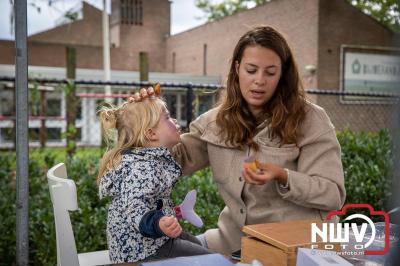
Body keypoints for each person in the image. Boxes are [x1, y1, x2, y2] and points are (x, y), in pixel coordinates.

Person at [134, 26, 346, 256]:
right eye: (251, 70)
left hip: (297, 248)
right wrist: (141, 119)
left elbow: (332, 195)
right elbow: (166, 162)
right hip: (232, 241)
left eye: (270, 72)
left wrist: (282, 175)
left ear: (283, 74)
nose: (259, 81)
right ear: (237, 68)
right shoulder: (214, 123)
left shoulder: (311, 120)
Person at [97, 94, 211, 263]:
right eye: (167, 118)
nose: (174, 120)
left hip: (150, 244)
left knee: (197, 246)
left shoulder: (148, 159)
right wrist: (159, 223)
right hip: (143, 252)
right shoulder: (141, 168)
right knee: (210, 260)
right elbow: (134, 207)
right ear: (151, 133)